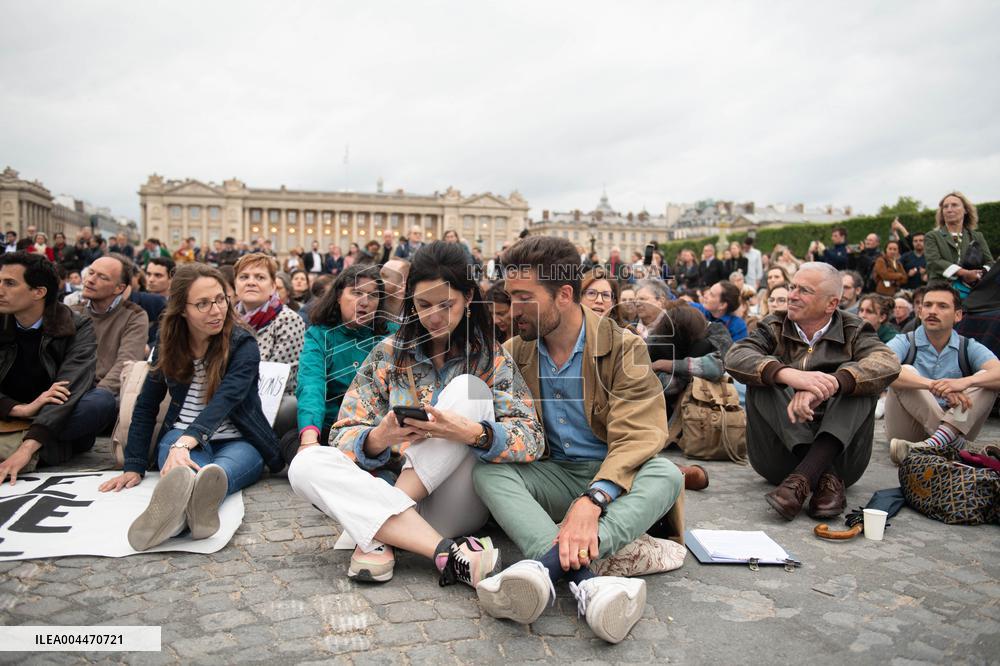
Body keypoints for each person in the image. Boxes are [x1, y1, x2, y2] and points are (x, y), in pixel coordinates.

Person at [287, 241, 543, 587]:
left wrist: (472, 433)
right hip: (390, 485)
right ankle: (439, 550)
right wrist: (379, 438)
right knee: (305, 462)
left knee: (468, 391)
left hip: (455, 500)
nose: (434, 316)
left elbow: (532, 438)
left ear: (468, 298)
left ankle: (375, 532)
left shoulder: (490, 358)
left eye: (445, 305)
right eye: (423, 304)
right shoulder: (388, 354)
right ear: (410, 302)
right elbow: (342, 432)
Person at [471, 235, 682, 644]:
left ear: (564, 295)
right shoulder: (516, 351)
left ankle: (545, 566)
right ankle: (586, 577)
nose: (511, 310)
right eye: (510, 296)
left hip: (614, 479)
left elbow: (640, 436)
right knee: (488, 473)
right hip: (553, 473)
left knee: (666, 474)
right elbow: (510, 429)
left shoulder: (624, 347)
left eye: (522, 297)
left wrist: (595, 499)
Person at [99, 264, 283, 551]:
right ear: (182, 309)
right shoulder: (169, 342)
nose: (216, 310)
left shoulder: (242, 342)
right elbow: (147, 404)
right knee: (184, 470)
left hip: (240, 439)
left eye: (221, 299)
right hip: (179, 434)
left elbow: (227, 398)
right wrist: (134, 466)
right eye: (203, 304)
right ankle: (188, 515)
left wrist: (187, 440)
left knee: (216, 474)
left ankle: (175, 521)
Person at [725, 262, 900, 521]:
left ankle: (805, 478)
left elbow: (888, 363)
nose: (792, 295)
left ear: (832, 304)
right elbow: (735, 356)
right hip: (778, 460)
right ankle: (823, 477)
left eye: (803, 290)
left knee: (858, 378)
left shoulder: (855, 329)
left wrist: (832, 383)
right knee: (765, 375)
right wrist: (791, 376)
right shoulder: (773, 325)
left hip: (844, 461)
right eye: (792, 287)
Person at [0, 253, 99, 483]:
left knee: (100, 403)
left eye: (10, 283)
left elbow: (70, 387)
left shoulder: (77, 325)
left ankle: (26, 448)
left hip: (56, 411)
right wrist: (19, 409)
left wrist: (26, 449)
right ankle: (48, 450)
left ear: (39, 292)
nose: (0, 289)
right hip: (10, 410)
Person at [884, 281, 1000, 464]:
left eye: (942, 306)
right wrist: (932, 385)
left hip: (956, 424)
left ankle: (938, 442)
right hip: (908, 431)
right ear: (920, 312)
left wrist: (965, 382)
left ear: (958, 315)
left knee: (984, 378)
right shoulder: (904, 341)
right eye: (928, 305)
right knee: (903, 371)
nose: (932, 311)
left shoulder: (967, 346)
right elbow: (883, 367)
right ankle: (954, 443)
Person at [289, 264, 391, 459]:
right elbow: (311, 384)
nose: (365, 302)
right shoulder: (319, 335)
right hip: (330, 426)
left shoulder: (391, 335)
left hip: (377, 430)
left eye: (373, 295)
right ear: (338, 296)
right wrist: (309, 441)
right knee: (292, 442)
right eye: (356, 292)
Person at [69, 254, 148, 431]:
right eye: (90, 273)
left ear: (119, 288)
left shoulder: (134, 315)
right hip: (71, 390)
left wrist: (97, 391)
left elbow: (126, 363)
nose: (90, 280)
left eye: (102, 277)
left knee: (99, 403)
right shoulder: (73, 312)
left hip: (104, 393)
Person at [233, 253, 305, 436]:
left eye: (260, 277)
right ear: (235, 284)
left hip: (269, 402)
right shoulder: (227, 318)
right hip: (228, 395)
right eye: (244, 277)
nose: (250, 282)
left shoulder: (288, 320)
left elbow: (278, 379)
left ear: (273, 286)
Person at [924, 191, 994, 294]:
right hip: (940, 291)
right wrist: (964, 273)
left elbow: (990, 262)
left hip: (972, 292)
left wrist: (978, 274)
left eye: (954, 205)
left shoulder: (977, 236)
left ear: (965, 210)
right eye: (945, 207)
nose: (949, 209)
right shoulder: (932, 236)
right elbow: (934, 262)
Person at [890, 219, 927, 289]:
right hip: (907, 291)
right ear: (912, 243)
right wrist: (907, 275)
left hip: (926, 290)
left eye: (921, 240)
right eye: (915, 241)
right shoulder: (905, 256)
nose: (918, 243)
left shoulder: (931, 257)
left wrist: (926, 274)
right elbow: (895, 272)